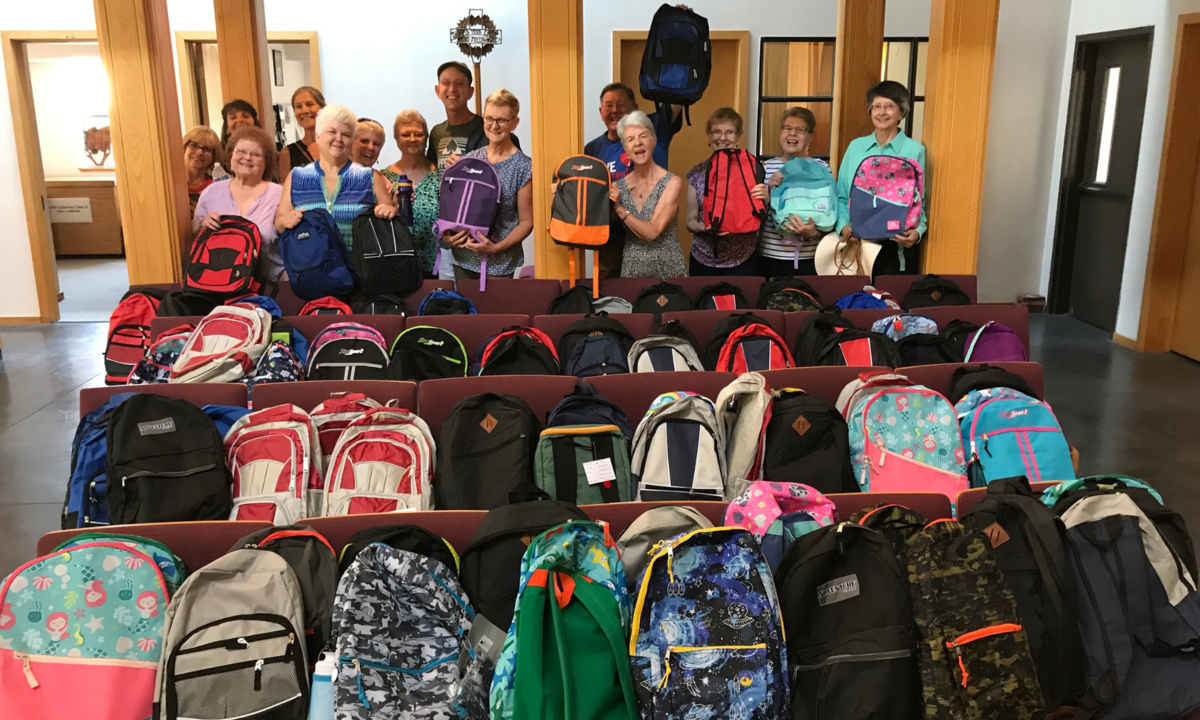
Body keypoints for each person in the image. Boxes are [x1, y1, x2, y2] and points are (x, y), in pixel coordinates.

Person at [584, 83, 683, 277]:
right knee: (614, 296)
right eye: (609, 105)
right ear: (601, 111)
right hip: (611, 238)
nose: (614, 111)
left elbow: (678, 100)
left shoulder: (656, 128)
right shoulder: (592, 149)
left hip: (659, 246)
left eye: (621, 104)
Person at [275, 104, 396, 252]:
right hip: (311, 271)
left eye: (345, 134)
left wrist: (387, 210)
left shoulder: (370, 177)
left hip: (361, 272)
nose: (338, 139)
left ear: (351, 141)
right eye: (332, 132)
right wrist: (286, 220)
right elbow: (279, 222)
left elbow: (389, 220)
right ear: (318, 137)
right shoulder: (296, 177)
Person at [836, 80, 927, 276]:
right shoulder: (856, 147)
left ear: (901, 112)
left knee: (889, 303)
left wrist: (918, 231)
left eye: (889, 106)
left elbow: (921, 200)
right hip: (857, 242)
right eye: (876, 106)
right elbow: (842, 195)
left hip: (896, 244)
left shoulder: (915, 150)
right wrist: (843, 227)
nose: (882, 112)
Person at [444, 88, 533, 282]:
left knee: (496, 313)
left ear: (515, 123)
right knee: (464, 310)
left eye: (501, 120)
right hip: (463, 259)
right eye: (488, 119)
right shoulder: (469, 160)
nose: (494, 126)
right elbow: (453, 209)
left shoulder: (525, 168)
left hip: (499, 264)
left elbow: (527, 222)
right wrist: (447, 236)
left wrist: (495, 248)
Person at [193, 126, 285, 281]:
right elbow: (193, 233)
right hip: (220, 284)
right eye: (240, 151)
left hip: (269, 285)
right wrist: (202, 224)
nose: (247, 158)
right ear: (230, 155)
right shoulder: (211, 192)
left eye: (256, 154)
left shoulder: (279, 194)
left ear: (266, 162)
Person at [685, 107, 768, 276]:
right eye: (716, 132)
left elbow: (759, 210)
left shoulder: (752, 169)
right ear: (709, 135)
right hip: (703, 259)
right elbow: (690, 221)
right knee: (703, 303)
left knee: (745, 303)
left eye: (729, 132)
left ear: (738, 136)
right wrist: (704, 229)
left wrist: (766, 199)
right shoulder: (697, 172)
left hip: (743, 259)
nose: (722, 138)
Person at [609, 110, 686, 278]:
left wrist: (619, 208)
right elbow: (597, 224)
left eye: (643, 136)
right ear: (626, 150)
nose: (637, 143)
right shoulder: (617, 187)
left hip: (669, 273)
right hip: (631, 273)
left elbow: (652, 232)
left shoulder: (672, 183)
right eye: (630, 139)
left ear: (653, 141)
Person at [760, 107, 831, 277]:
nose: (792, 134)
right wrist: (769, 191)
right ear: (780, 134)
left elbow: (830, 211)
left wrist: (814, 233)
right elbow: (755, 214)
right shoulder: (765, 168)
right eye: (787, 128)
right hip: (770, 257)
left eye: (800, 130)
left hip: (810, 258)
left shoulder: (822, 168)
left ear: (810, 138)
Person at [381, 110, 439, 276]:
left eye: (418, 134)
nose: (412, 139)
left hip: (436, 268)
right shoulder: (383, 177)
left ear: (426, 138)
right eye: (405, 134)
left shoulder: (441, 176)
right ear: (397, 140)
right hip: (395, 266)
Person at [426, 61, 487, 172]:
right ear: (438, 90)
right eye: (446, 83)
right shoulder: (436, 133)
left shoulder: (487, 129)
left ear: (470, 92)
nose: (452, 89)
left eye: (459, 83)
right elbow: (431, 174)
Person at [279, 86, 325, 178]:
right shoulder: (287, 153)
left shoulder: (338, 145)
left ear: (323, 108)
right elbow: (285, 189)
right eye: (299, 106)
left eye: (310, 104)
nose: (304, 110)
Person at [182, 126, 223, 218]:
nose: (200, 152)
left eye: (207, 149)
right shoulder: (170, 184)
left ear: (214, 156)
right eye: (194, 145)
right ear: (184, 148)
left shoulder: (216, 187)